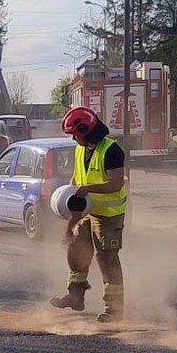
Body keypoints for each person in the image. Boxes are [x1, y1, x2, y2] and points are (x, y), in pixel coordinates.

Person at [49, 106, 128, 322]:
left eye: (75, 134)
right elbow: (76, 180)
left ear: (86, 131)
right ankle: (75, 296)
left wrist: (88, 189)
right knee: (76, 251)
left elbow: (115, 183)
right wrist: (71, 215)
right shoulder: (80, 149)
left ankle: (114, 309)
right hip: (87, 212)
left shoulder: (112, 150)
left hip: (109, 215)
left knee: (107, 258)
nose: (74, 139)